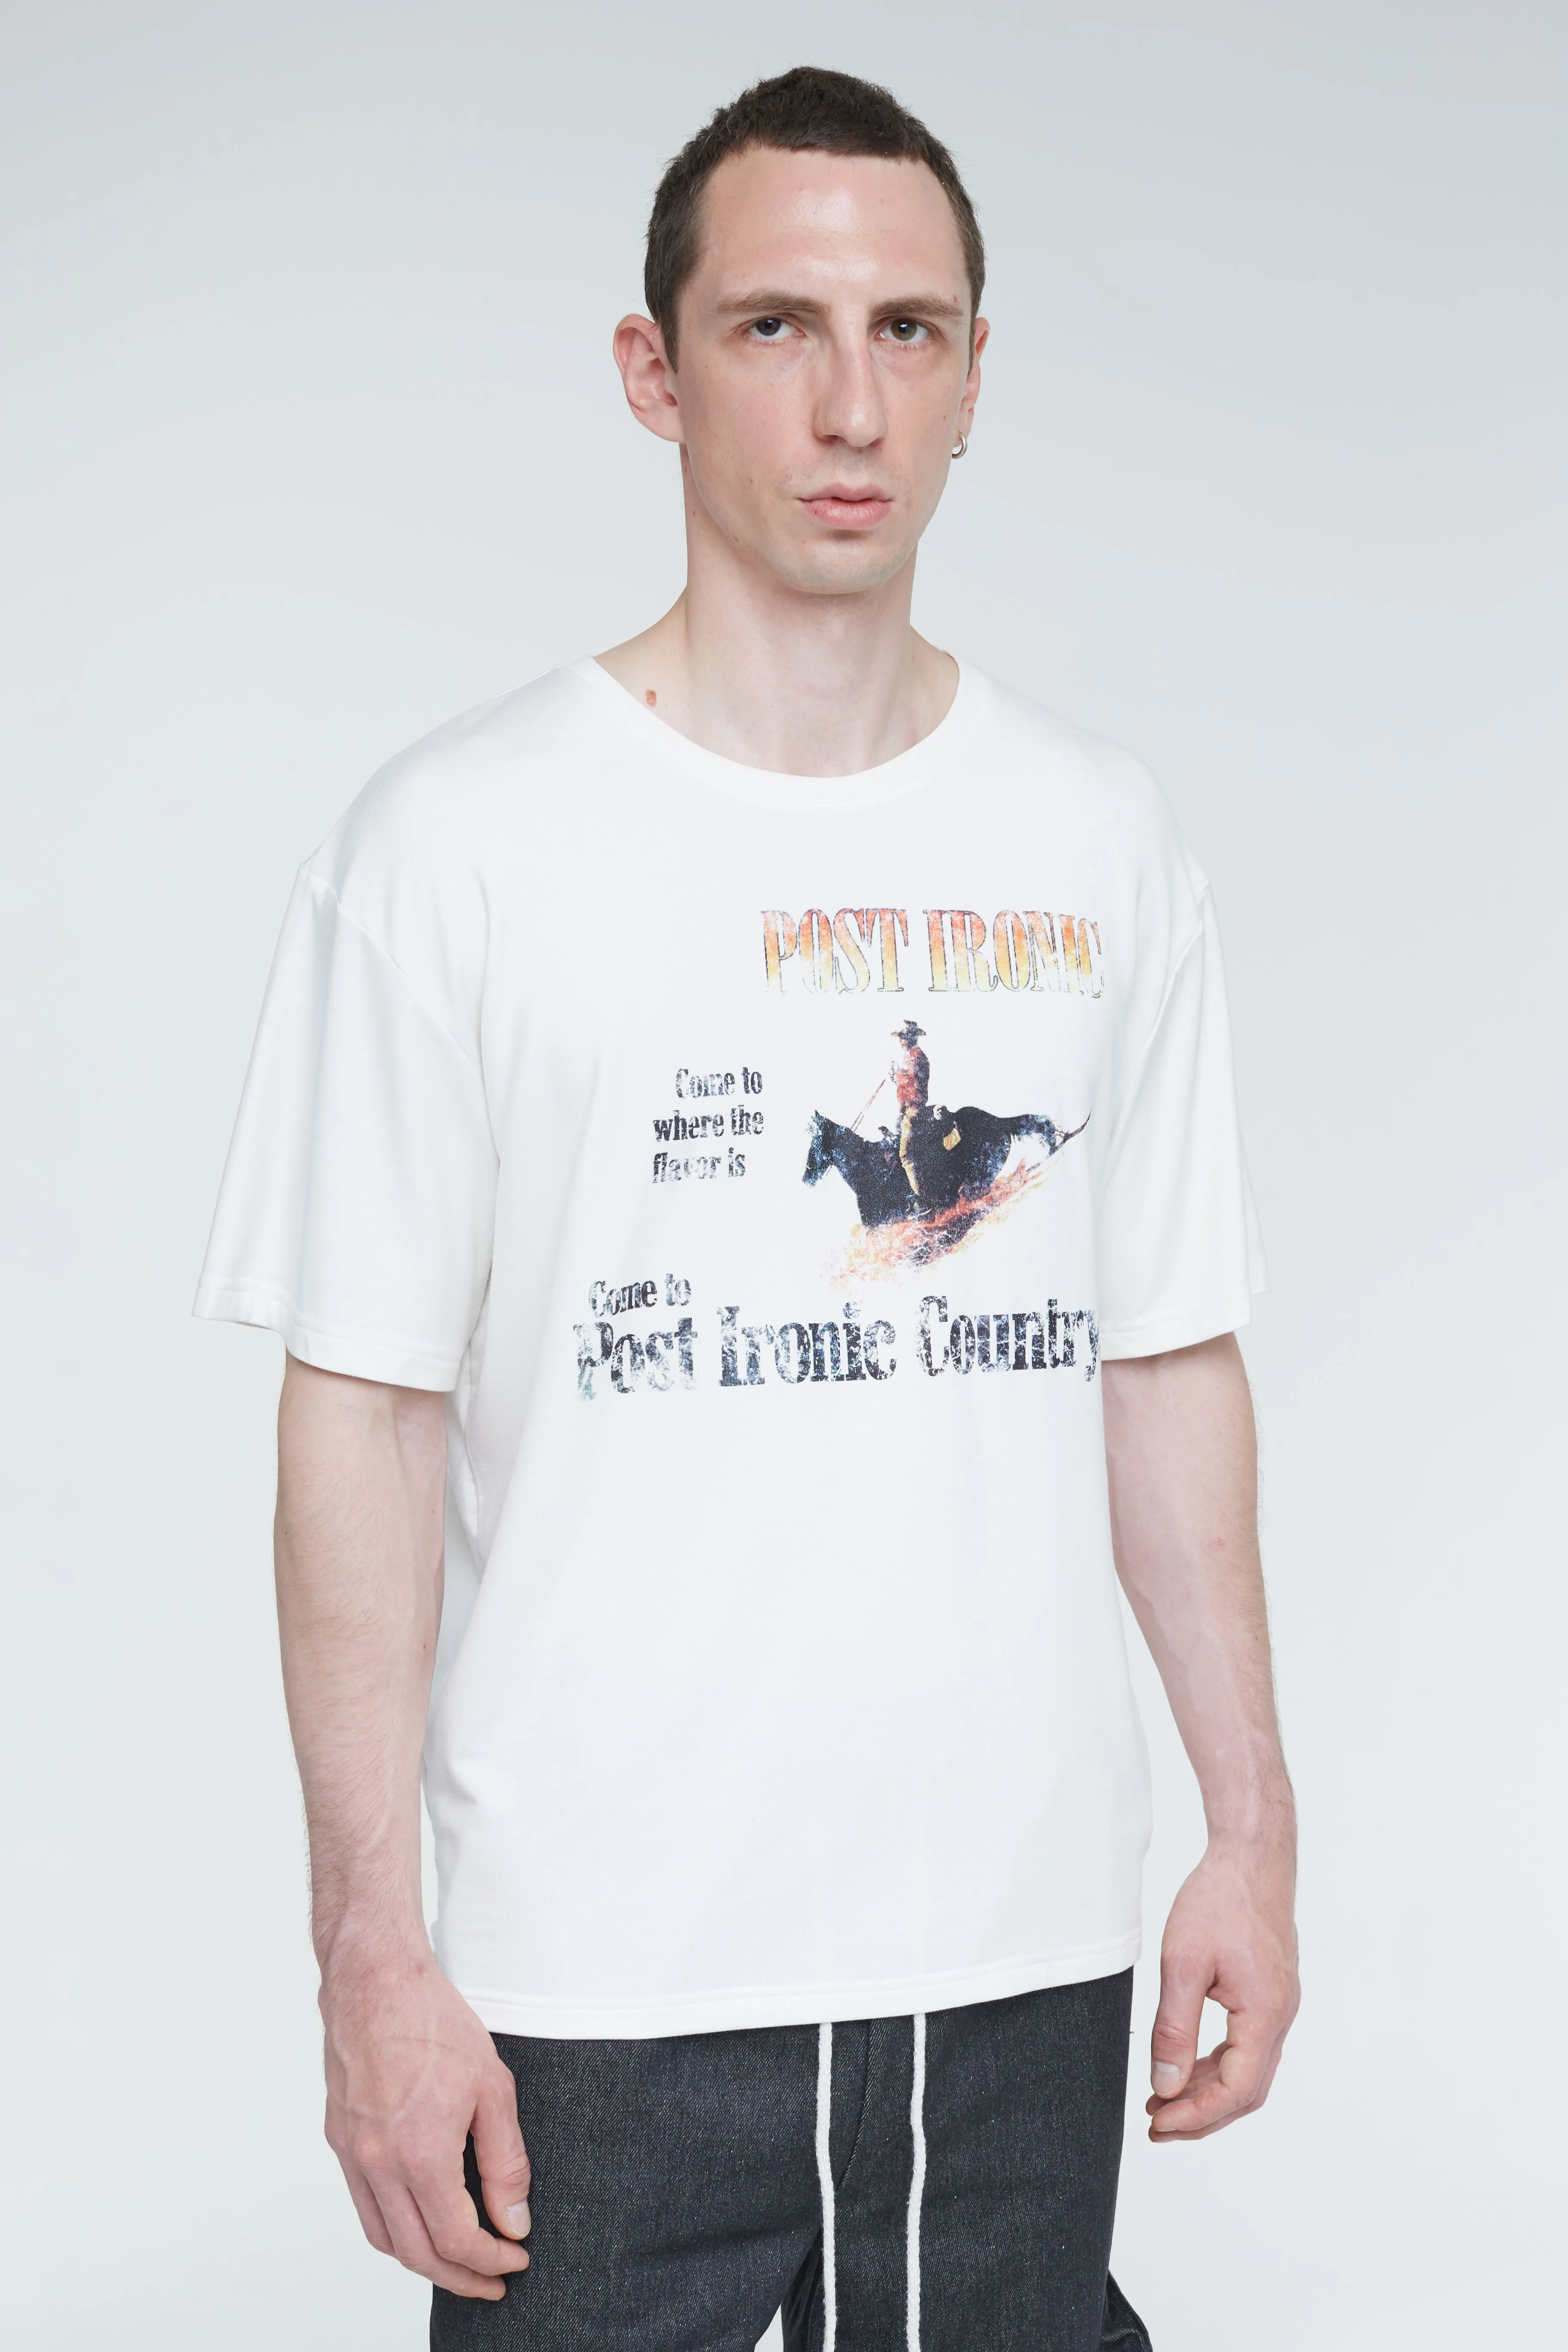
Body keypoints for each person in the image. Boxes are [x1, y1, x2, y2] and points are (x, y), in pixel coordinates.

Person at [196, 64, 1298, 2352]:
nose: (848, 401)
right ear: (654, 369)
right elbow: (362, 1420)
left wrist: (1250, 1825)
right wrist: (370, 1951)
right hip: (602, 1969)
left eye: (909, 331)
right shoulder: (460, 847)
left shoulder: (1100, 840)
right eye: (776, 325)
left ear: (976, 376)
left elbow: (1162, 1358)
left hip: (1018, 1956)